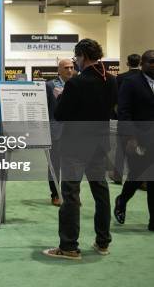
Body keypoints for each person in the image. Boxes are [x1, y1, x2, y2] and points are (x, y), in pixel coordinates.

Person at [43, 39, 117, 260]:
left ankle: (68, 247)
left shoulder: (76, 83)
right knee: (101, 191)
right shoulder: (112, 80)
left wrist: (61, 97)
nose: (74, 63)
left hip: (75, 145)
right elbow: (111, 109)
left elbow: (61, 114)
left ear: (83, 55)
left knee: (71, 194)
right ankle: (103, 242)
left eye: (76, 58)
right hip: (100, 144)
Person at [114, 50, 154, 231]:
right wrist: (131, 138)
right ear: (143, 63)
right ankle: (122, 200)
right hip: (137, 138)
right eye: (152, 61)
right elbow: (123, 111)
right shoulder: (131, 82)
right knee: (138, 176)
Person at [45, 59, 74, 207]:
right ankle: (55, 194)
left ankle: (71, 195)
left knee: (72, 165)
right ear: (59, 70)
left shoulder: (77, 84)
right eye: (66, 68)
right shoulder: (50, 86)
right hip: (55, 131)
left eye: (71, 67)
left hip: (73, 132)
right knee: (54, 165)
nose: (69, 70)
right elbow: (46, 109)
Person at [110, 54, 142, 184]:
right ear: (140, 63)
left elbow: (116, 98)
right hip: (142, 119)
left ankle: (117, 175)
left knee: (121, 149)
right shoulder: (145, 78)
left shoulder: (121, 78)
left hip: (124, 118)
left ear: (127, 63)